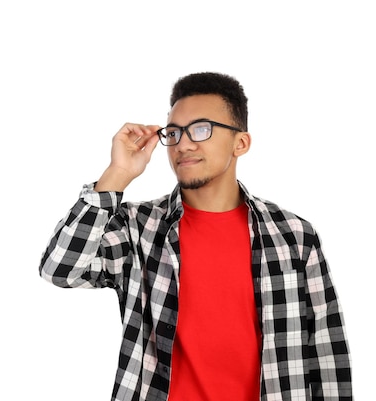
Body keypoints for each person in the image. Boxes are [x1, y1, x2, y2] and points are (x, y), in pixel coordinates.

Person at [38, 72, 353, 401]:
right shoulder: (137, 228)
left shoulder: (293, 236)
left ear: (240, 143)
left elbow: (327, 352)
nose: (183, 144)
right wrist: (117, 173)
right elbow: (59, 268)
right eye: (173, 133)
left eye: (201, 129)